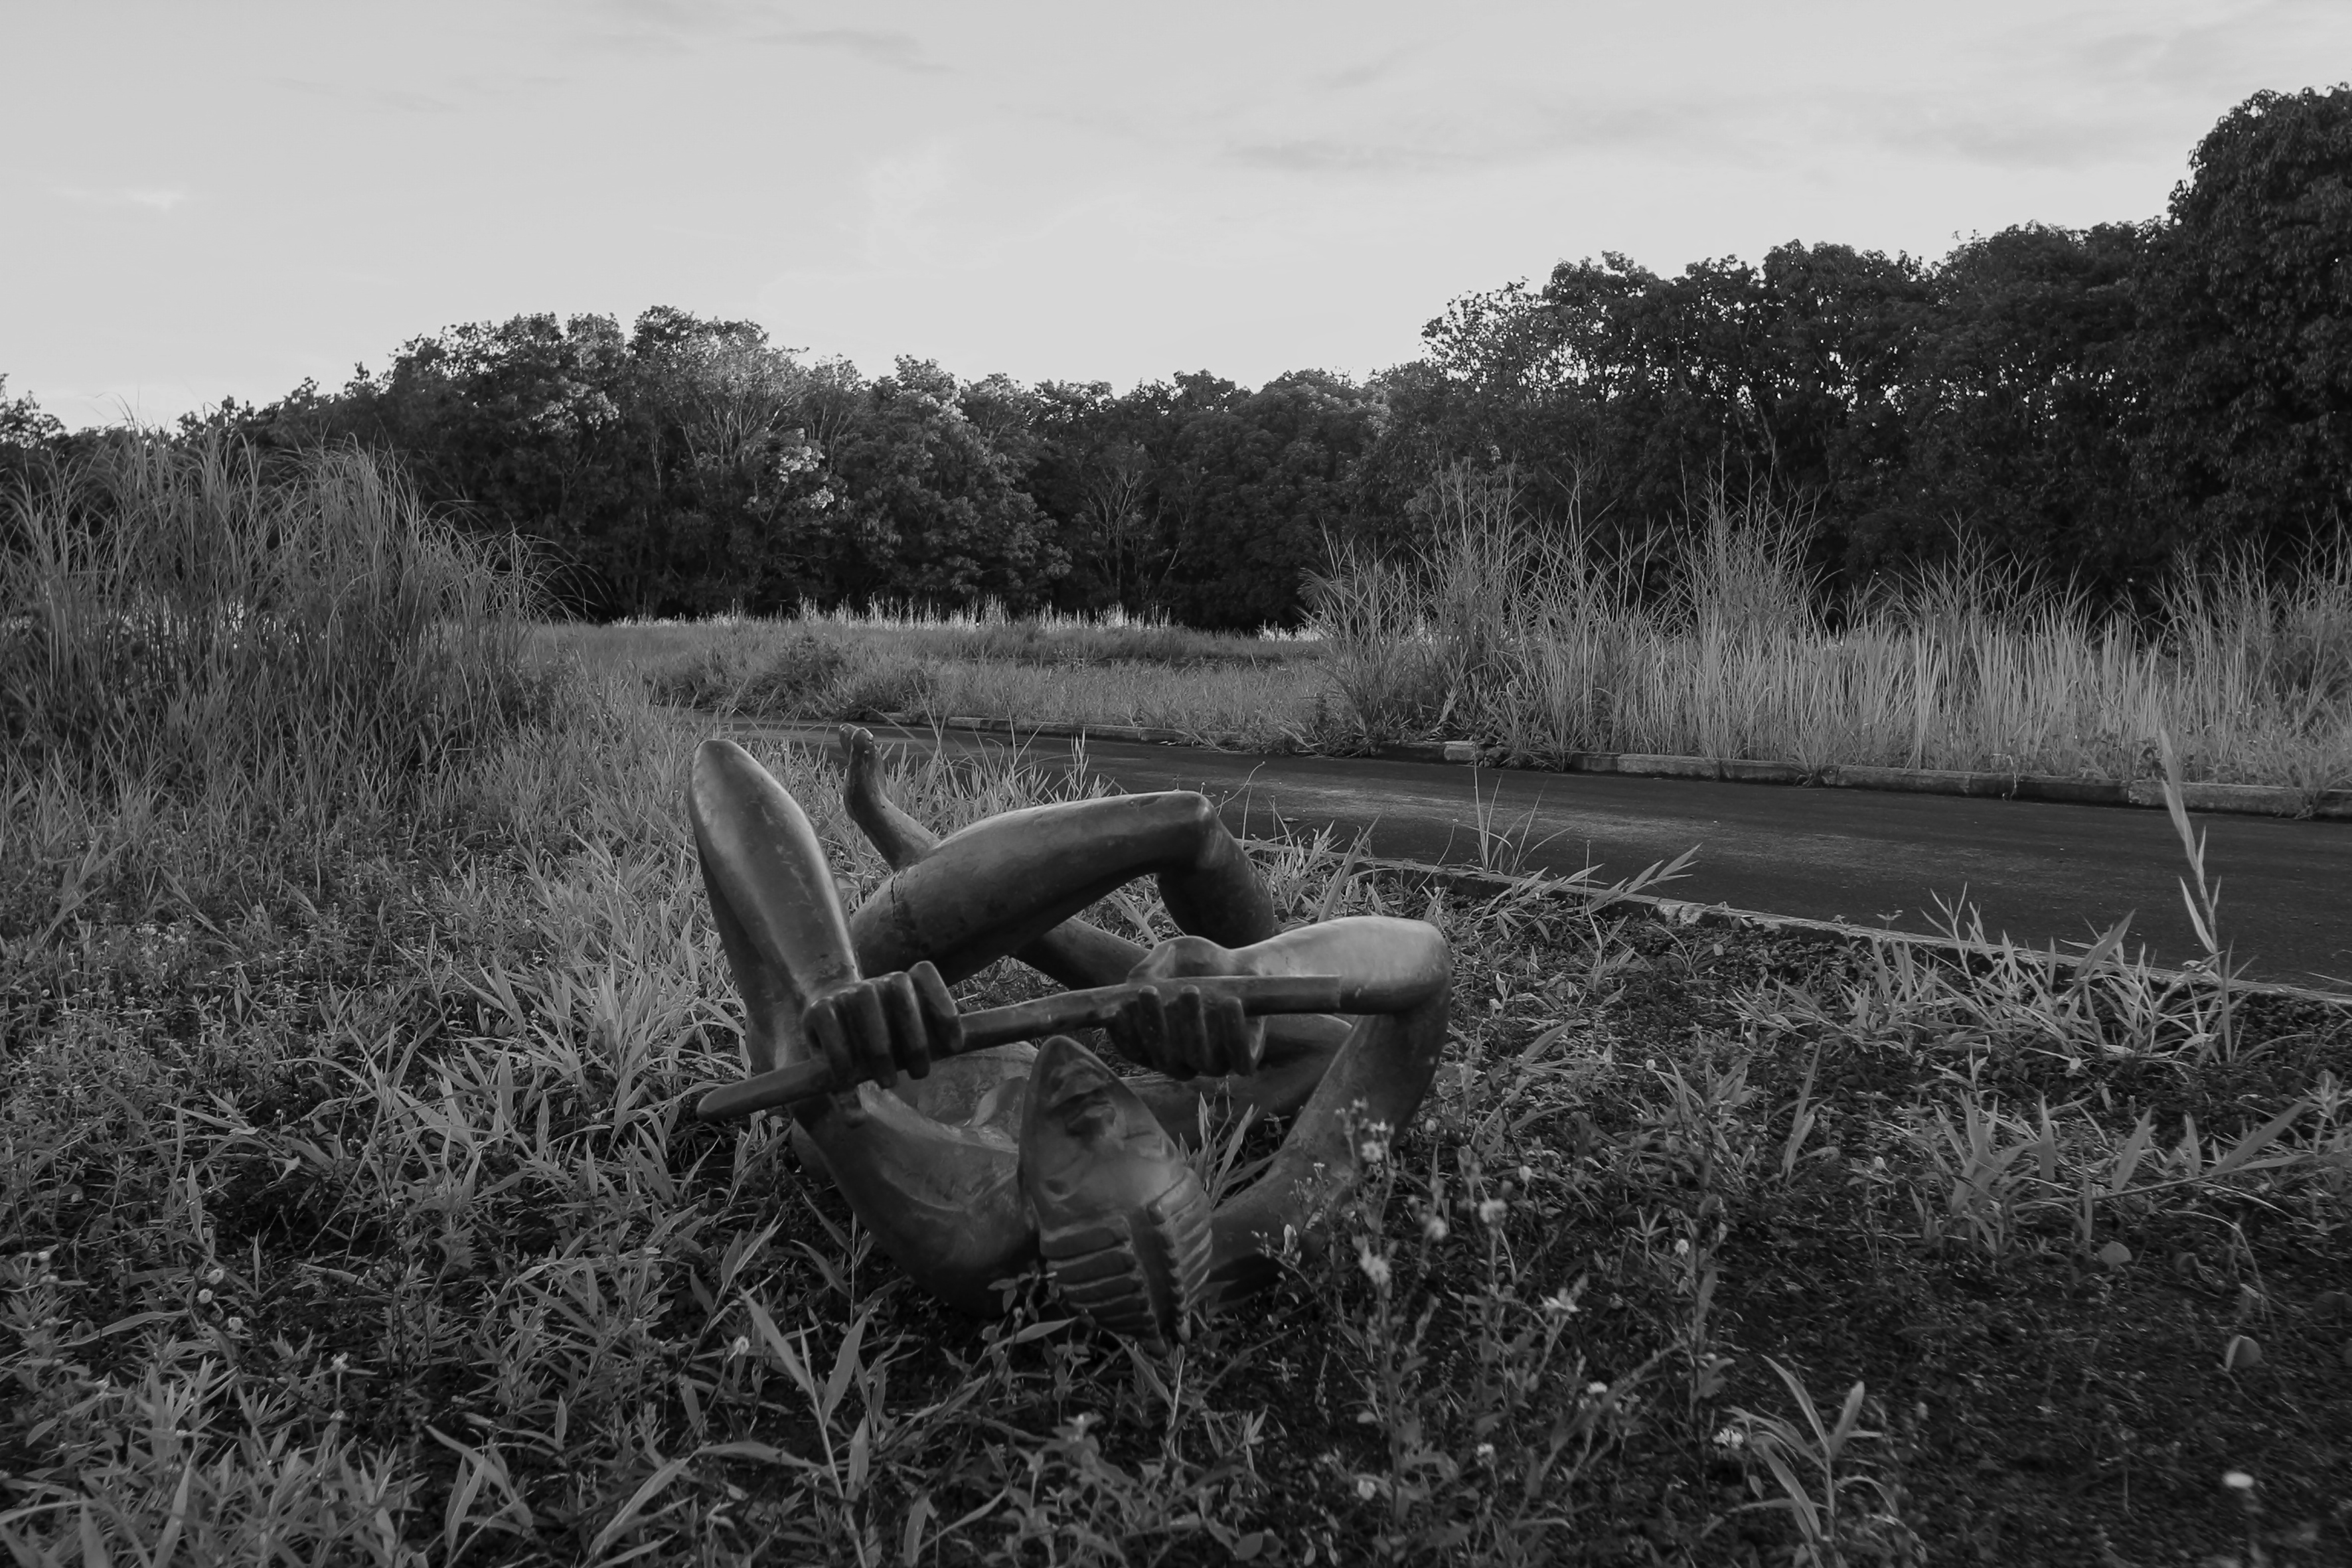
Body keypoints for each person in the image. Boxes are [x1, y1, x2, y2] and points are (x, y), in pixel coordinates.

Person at [692, 727, 1451, 1317]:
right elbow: (1421, 979)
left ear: (1035, 1206)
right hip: (980, 1011)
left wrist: (831, 991)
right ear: (1178, 1168)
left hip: (862, 997)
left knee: (831, 985)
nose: (1100, 1095)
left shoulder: (961, 1224)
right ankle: (935, 865)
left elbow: (720, 774)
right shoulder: (1201, 1237)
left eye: (1083, 1133)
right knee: (1191, 830)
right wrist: (1247, 977)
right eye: (1134, 1131)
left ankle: (920, 875)